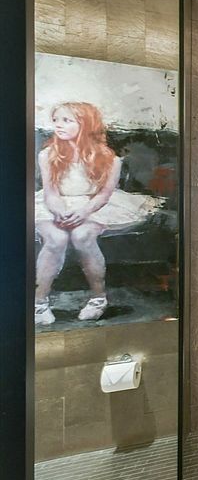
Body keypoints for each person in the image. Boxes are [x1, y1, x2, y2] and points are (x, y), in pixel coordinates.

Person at [34, 102, 162, 325]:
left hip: (93, 205)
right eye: (56, 120)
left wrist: (84, 212)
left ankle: (98, 298)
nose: (58, 125)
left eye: (66, 120)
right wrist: (60, 212)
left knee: (82, 236)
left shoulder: (110, 159)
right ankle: (39, 303)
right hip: (54, 205)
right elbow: (50, 193)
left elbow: (104, 195)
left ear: (85, 124)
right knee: (56, 238)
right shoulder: (48, 155)